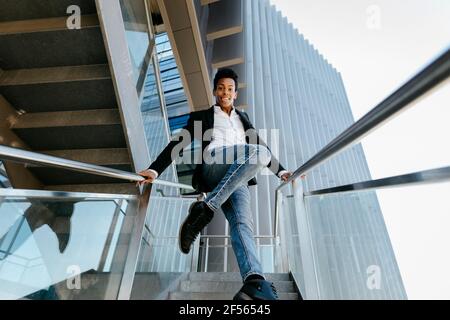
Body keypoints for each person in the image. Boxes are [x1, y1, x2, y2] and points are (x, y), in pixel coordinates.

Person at [138, 68, 292, 300]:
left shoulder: (243, 120)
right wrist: (155, 169)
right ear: (215, 91)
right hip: (214, 164)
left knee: (242, 223)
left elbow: (262, 149)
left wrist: (281, 171)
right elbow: (177, 144)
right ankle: (208, 207)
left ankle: (254, 281)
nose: (225, 92)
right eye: (221, 88)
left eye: (230, 89)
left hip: (236, 175)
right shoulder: (202, 117)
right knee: (259, 154)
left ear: (235, 94)